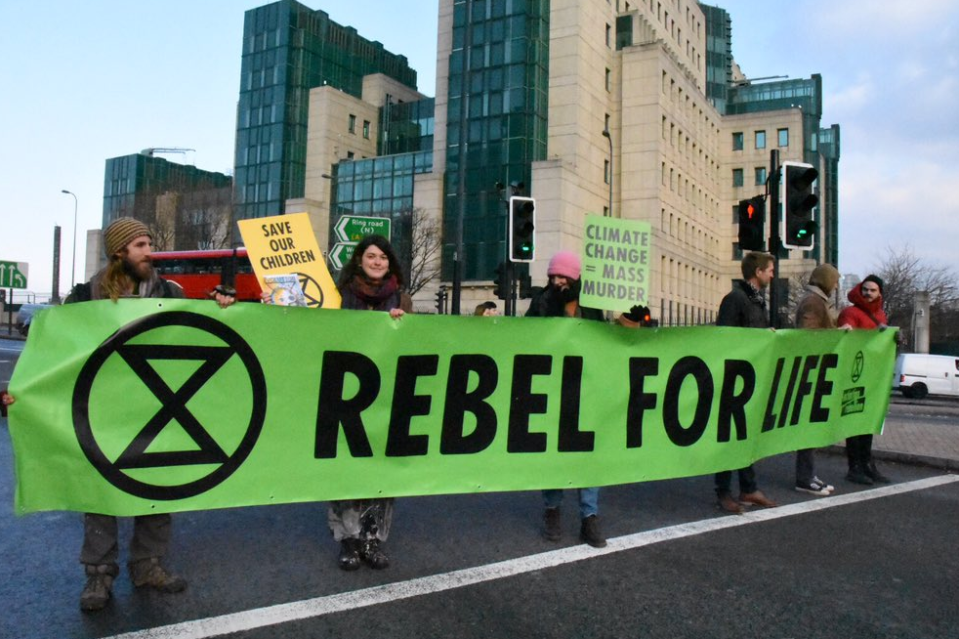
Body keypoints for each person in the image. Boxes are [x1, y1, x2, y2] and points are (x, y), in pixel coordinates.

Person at [18, 218, 235, 612]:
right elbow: (57, 351)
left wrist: (222, 305)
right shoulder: (85, 297)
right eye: (139, 244)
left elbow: (197, 333)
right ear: (119, 252)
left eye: (149, 241)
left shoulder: (169, 291)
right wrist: (25, 391)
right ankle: (99, 575)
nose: (148, 250)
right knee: (100, 488)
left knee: (158, 484)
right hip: (104, 409)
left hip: (155, 407)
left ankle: (148, 565)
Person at [329, 234, 412, 571]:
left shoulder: (402, 298)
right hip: (345, 393)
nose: (378, 262)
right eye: (371, 256)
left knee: (381, 468)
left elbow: (415, 344)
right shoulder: (340, 296)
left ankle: (372, 537)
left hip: (387, 396)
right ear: (359, 260)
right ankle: (347, 539)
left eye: (383, 258)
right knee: (346, 467)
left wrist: (401, 325)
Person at [526, 250, 607, 548]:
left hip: (587, 388)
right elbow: (526, 339)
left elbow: (607, 339)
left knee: (588, 453)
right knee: (555, 452)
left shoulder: (592, 305)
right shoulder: (542, 302)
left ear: (576, 278)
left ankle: (590, 517)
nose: (558, 281)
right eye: (553, 276)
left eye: (564, 276)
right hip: (553, 387)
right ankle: (552, 510)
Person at [714, 252, 778, 514]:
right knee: (729, 435)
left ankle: (748, 488)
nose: (773, 274)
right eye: (770, 269)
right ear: (758, 271)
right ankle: (724, 491)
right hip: (734, 378)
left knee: (746, 434)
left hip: (750, 378)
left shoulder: (756, 300)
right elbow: (726, 337)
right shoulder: (735, 299)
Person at [838, 275, 892, 485]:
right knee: (854, 423)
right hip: (853, 376)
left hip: (871, 376)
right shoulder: (850, 312)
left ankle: (867, 464)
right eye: (865, 289)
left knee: (867, 424)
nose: (868, 293)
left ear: (880, 294)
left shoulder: (881, 315)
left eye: (873, 290)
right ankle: (855, 467)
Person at [792, 264, 840, 496]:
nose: (837, 285)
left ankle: (808, 474)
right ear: (826, 281)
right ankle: (805, 477)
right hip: (811, 371)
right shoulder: (813, 302)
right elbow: (808, 334)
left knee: (810, 426)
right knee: (808, 427)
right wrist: (837, 334)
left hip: (814, 370)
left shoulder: (816, 300)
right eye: (835, 280)